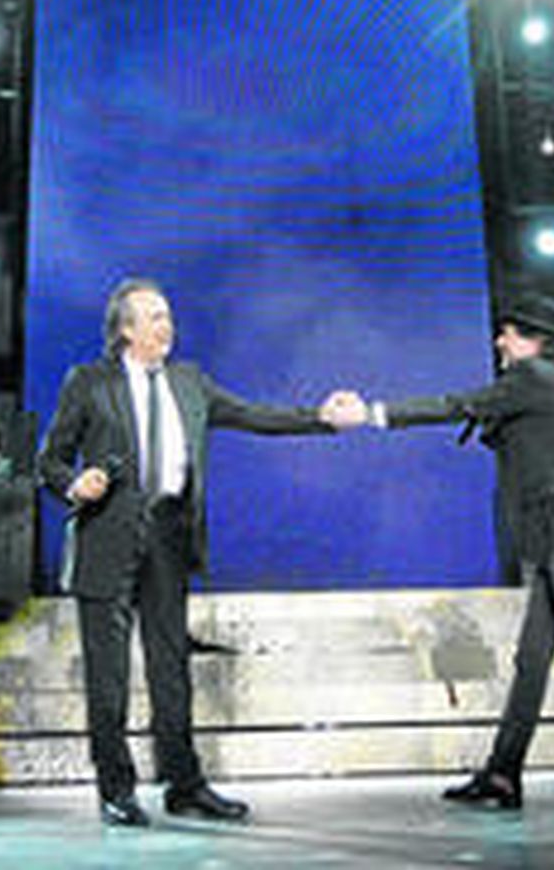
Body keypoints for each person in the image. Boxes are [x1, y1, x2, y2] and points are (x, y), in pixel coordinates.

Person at [331, 292, 554, 813]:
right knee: (532, 660)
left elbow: (455, 405)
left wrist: (370, 414)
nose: (498, 341)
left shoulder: (532, 378)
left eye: (507, 333)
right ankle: (503, 774)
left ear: (532, 340)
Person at [37, 277, 351, 827]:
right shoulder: (90, 382)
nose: (167, 325)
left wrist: (319, 417)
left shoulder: (191, 383)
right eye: (154, 316)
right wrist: (74, 483)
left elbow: (256, 416)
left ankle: (185, 784)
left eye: (168, 315)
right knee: (107, 676)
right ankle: (116, 789)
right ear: (126, 329)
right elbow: (50, 461)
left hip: (169, 534)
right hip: (107, 536)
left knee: (171, 668)